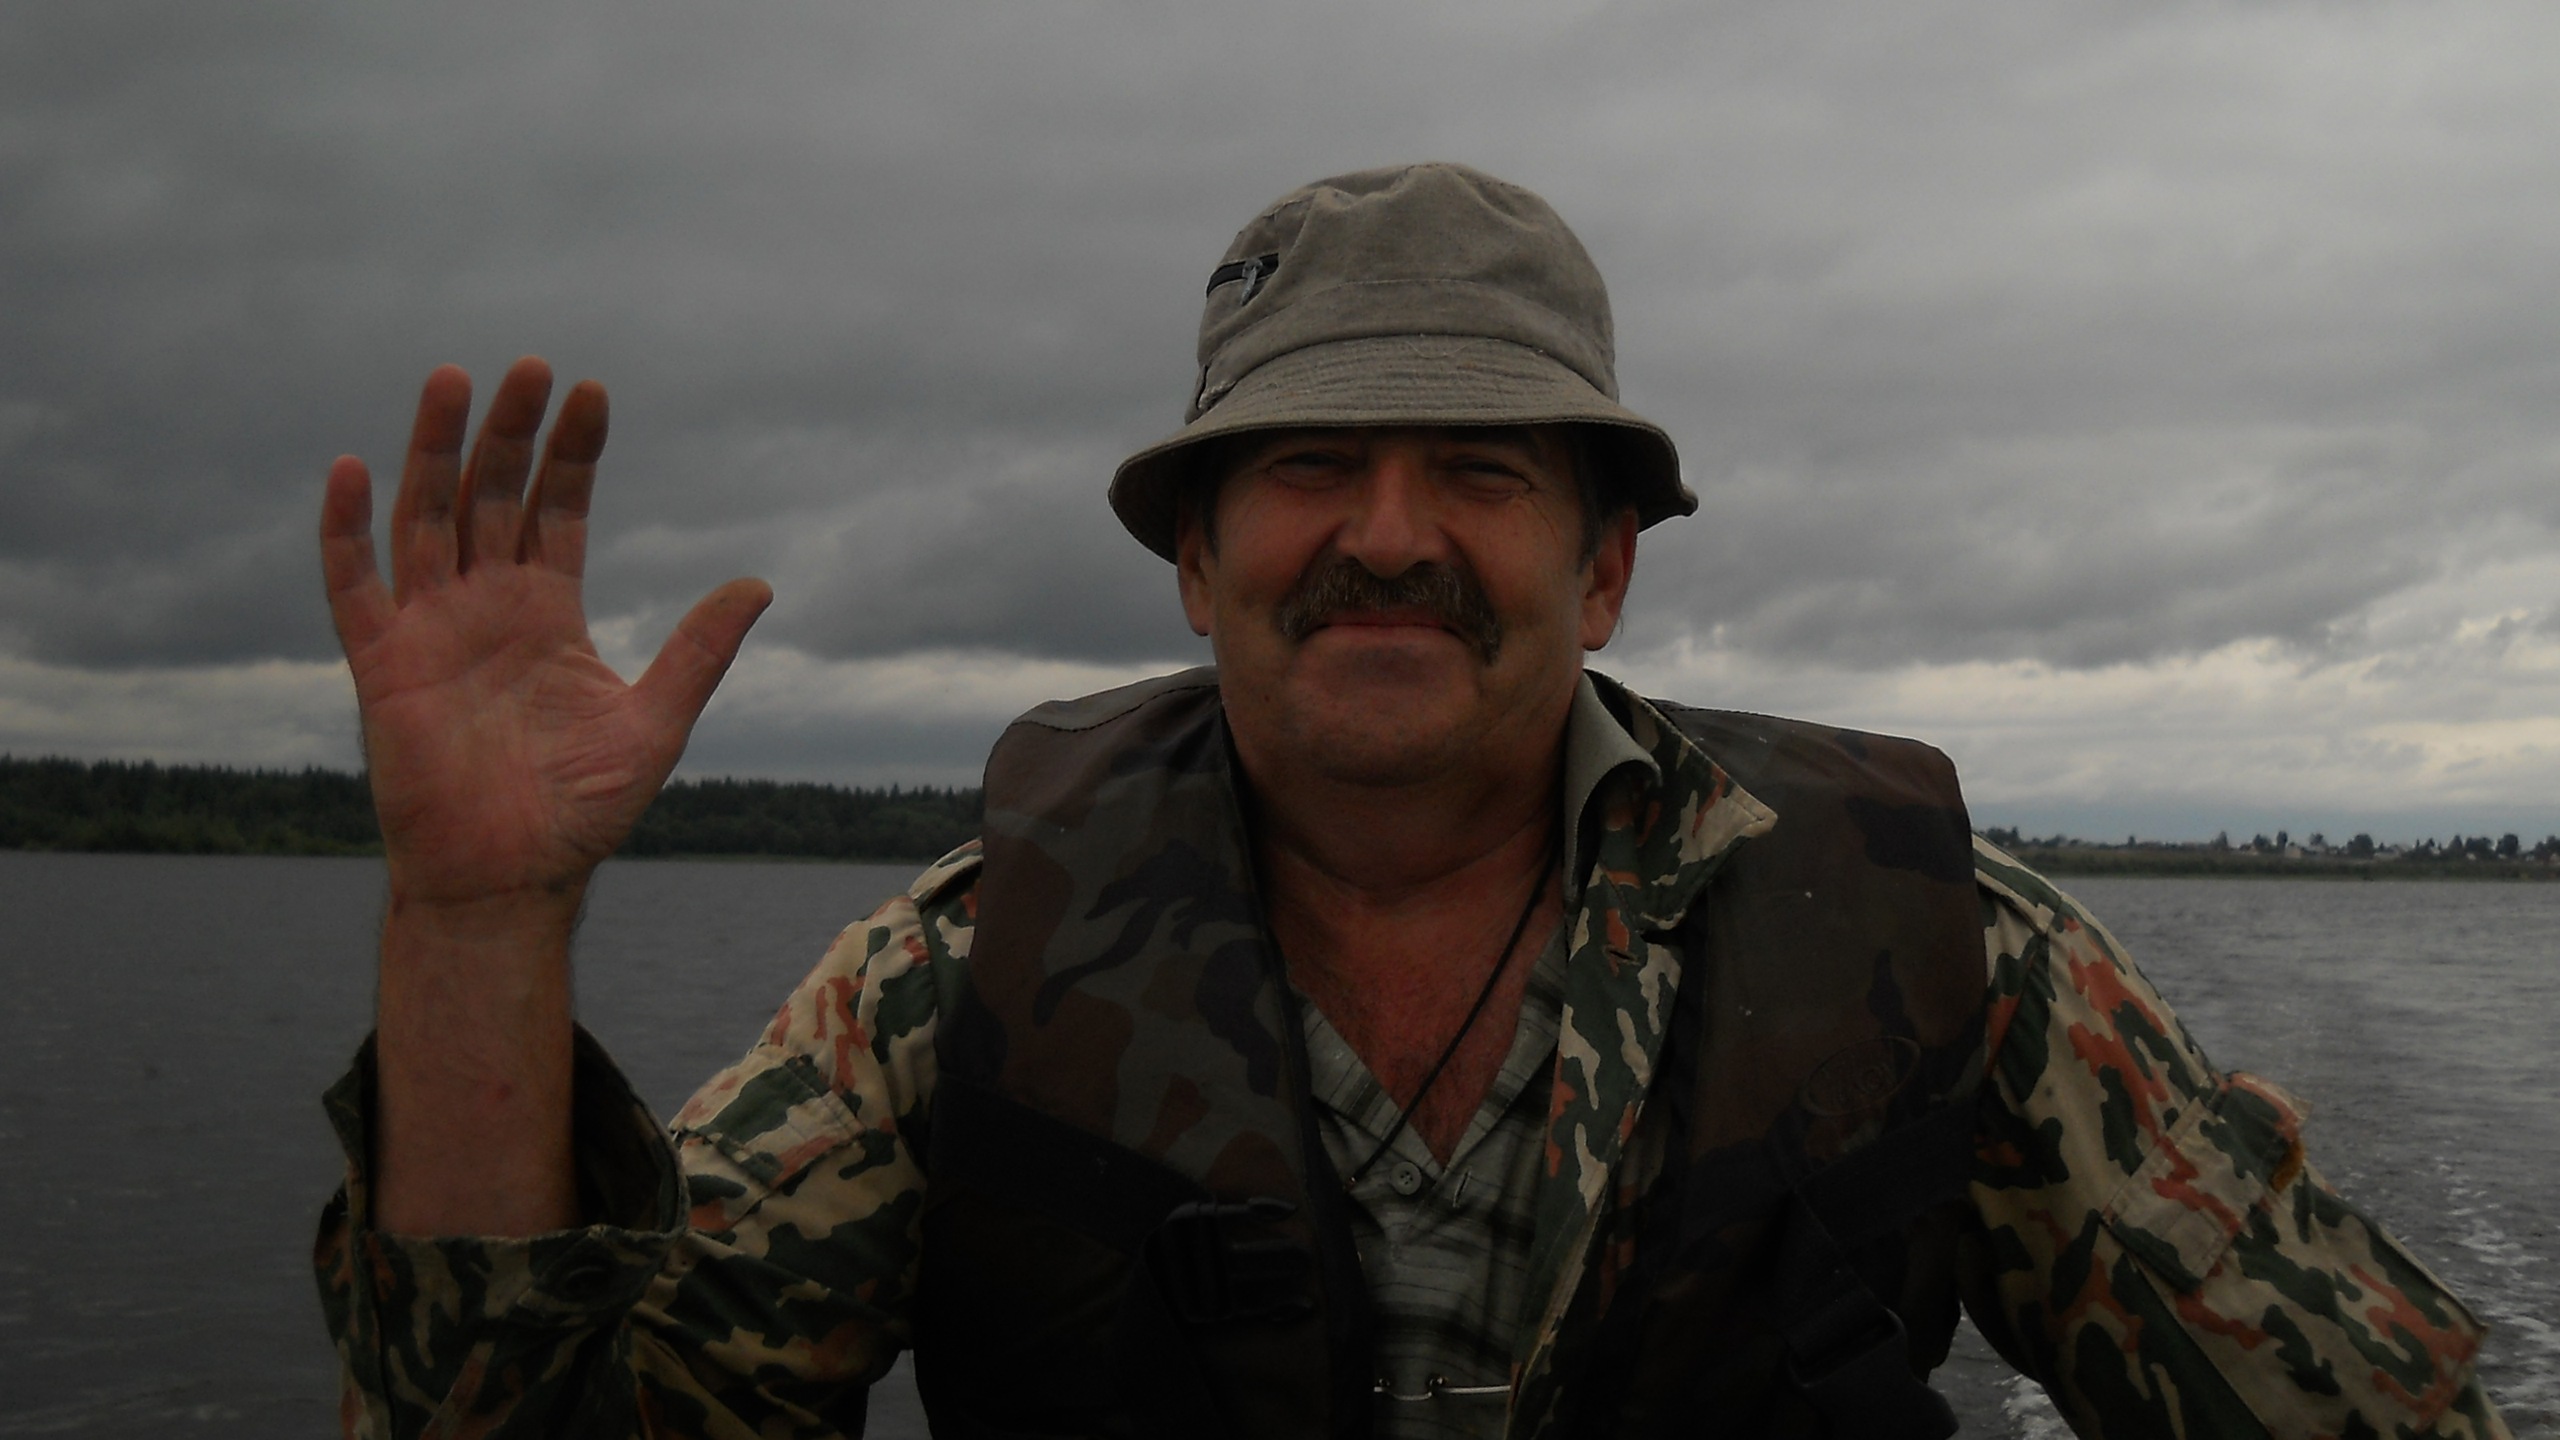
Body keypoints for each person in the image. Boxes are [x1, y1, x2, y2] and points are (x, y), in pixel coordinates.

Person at [314, 163, 2510, 1439]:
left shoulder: (1949, 949)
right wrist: (481, 928)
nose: (1386, 533)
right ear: (1194, 565)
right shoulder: (948, 986)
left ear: (1603, 567)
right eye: (1305, 467)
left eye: (1476, 467)